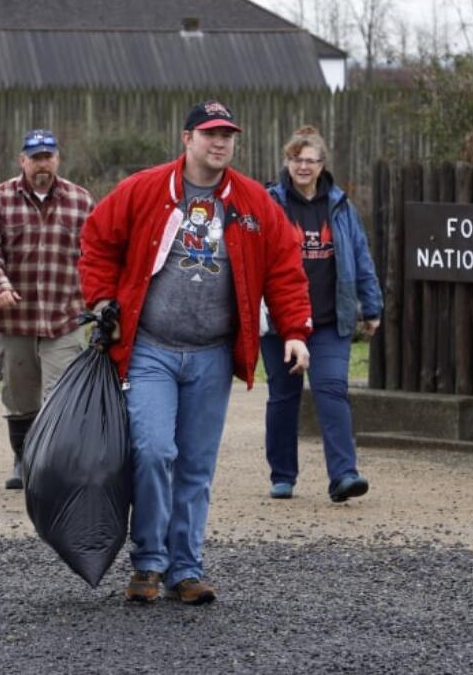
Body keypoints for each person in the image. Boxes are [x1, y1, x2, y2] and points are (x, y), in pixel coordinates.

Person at [78, 100, 312, 606]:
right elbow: (97, 239)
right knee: (155, 450)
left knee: (196, 464)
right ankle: (147, 562)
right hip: (150, 349)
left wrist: (294, 330)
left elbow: (285, 266)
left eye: (227, 134)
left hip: (211, 354)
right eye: (209, 134)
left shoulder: (252, 203)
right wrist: (102, 300)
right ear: (186, 139)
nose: (220, 143)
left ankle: (185, 567)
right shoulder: (145, 189)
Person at [262, 126, 382, 503]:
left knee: (332, 391)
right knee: (284, 395)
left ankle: (344, 475)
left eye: (309, 159)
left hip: (330, 320)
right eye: (296, 158)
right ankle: (283, 475)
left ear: (322, 164)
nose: (302, 166)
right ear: (287, 161)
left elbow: (360, 256)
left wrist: (372, 305)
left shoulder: (341, 206)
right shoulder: (270, 202)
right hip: (280, 321)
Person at [0, 129, 96, 490]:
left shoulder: (80, 200)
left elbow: (97, 252)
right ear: (22, 161)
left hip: (65, 315)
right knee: (20, 396)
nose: (42, 164)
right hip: (15, 317)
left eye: (48, 156)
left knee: (62, 394)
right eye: (35, 157)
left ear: (57, 159)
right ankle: (23, 459)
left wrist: (98, 299)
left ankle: (55, 464)